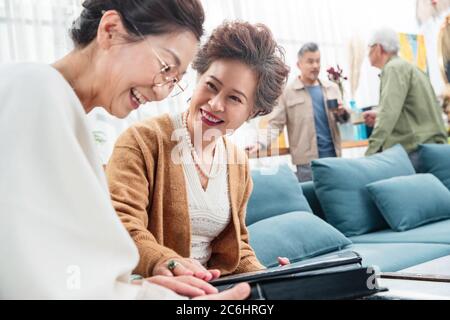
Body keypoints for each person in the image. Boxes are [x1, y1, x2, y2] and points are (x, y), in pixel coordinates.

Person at [0, 0, 250, 300]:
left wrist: (137, 288)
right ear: (110, 30)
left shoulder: (63, 113)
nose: (161, 91)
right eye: (164, 67)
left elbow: (67, 270)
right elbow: (32, 282)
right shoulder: (33, 90)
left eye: (174, 80)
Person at [106, 21, 291, 280]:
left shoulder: (237, 163)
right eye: (211, 86)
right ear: (198, 77)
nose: (215, 104)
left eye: (234, 98)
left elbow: (237, 250)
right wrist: (167, 262)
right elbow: (120, 225)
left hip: (210, 290)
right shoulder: (141, 141)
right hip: (150, 287)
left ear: (253, 111)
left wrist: (270, 278)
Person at [247, 43, 350, 182]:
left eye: (318, 61)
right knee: (311, 201)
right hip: (306, 164)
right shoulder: (287, 93)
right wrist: (260, 143)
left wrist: (342, 113)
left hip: (334, 157)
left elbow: (344, 121)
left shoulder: (332, 88)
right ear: (299, 64)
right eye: (310, 61)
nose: (315, 66)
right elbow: (275, 125)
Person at [363, 27, 448, 168]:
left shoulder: (393, 69)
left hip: (415, 151)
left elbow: (388, 115)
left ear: (378, 48)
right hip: (433, 148)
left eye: (369, 48)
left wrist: (369, 155)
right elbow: (412, 110)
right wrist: (379, 114)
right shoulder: (411, 68)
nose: (368, 53)